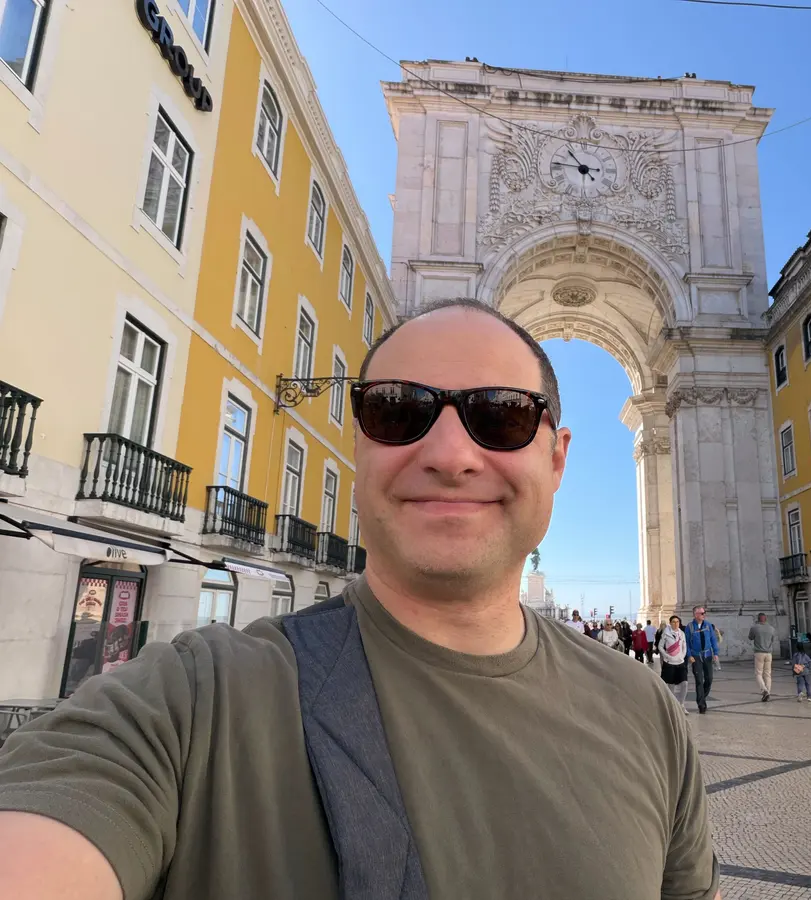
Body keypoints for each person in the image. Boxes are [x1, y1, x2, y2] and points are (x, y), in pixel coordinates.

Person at [0, 298, 722, 900]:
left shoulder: (649, 715)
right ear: (359, 444)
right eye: (398, 410)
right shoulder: (190, 702)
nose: (448, 454)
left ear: (557, 456)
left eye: (500, 415)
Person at [684, 606, 720, 714]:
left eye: (704, 613)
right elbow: (686, 643)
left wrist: (716, 653)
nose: (704, 615)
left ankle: (701, 697)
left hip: (708, 655)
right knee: (699, 680)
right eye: (702, 613)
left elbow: (713, 639)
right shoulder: (690, 627)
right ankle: (701, 704)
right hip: (696, 656)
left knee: (709, 678)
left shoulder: (708, 625)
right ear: (695, 615)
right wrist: (689, 655)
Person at [658, 615, 689, 710]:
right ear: (670, 623)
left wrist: (682, 656)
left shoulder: (682, 633)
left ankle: (681, 704)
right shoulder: (666, 633)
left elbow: (684, 646)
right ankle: (673, 706)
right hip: (669, 663)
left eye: (677, 622)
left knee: (684, 683)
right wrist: (666, 656)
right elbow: (660, 646)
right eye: (673, 622)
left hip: (680, 662)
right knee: (670, 685)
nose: (676, 624)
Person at [748, 613, 776, 702]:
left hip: (759, 652)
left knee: (758, 673)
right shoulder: (772, 628)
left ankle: (764, 690)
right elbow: (772, 640)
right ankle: (768, 691)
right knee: (767, 674)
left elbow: (750, 637)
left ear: (758, 619)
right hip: (769, 653)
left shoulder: (755, 628)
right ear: (766, 619)